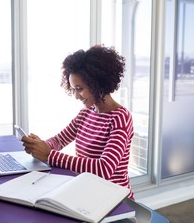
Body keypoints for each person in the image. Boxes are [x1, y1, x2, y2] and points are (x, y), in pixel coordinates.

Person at [21, 45, 134, 198]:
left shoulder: (120, 118)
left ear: (98, 83)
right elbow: (59, 140)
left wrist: (49, 155)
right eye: (73, 89)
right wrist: (40, 146)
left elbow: (104, 169)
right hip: (87, 191)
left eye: (79, 88)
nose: (75, 96)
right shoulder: (85, 115)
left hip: (113, 198)